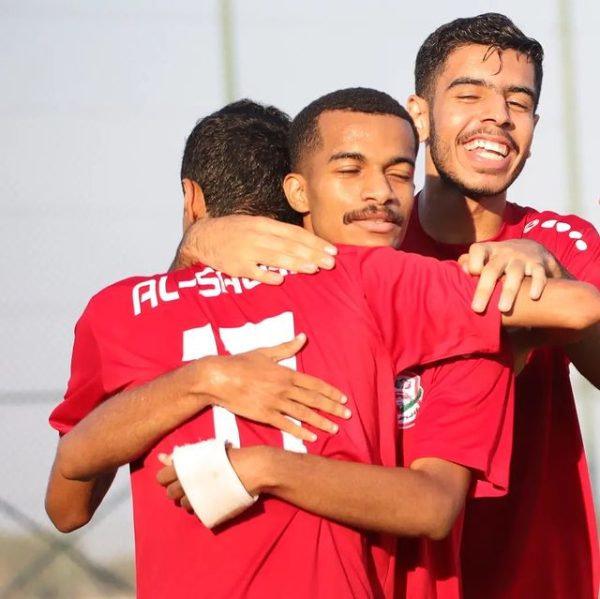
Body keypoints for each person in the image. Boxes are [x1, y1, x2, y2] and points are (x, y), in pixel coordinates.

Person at [181, 14, 600, 599]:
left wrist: (550, 272)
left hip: (536, 581)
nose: (498, 116)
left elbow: (586, 321)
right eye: (469, 95)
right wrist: (202, 237)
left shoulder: (559, 242)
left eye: (519, 102)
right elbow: (195, 306)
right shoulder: (364, 240)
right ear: (419, 115)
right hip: (385, 576)